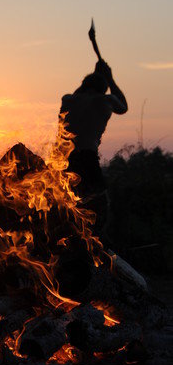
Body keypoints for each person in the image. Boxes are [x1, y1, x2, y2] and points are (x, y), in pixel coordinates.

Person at [59, 59, 128, 235]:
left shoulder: (68, 100)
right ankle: (94, 239)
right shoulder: (105, 101)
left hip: (63, 160)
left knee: (69, 203)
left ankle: (77, 237)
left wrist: (96, 75)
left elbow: (80, 94)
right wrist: (109, 78)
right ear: (103, 88)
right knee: (98, 204)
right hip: (87, 158)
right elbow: (123, 107)